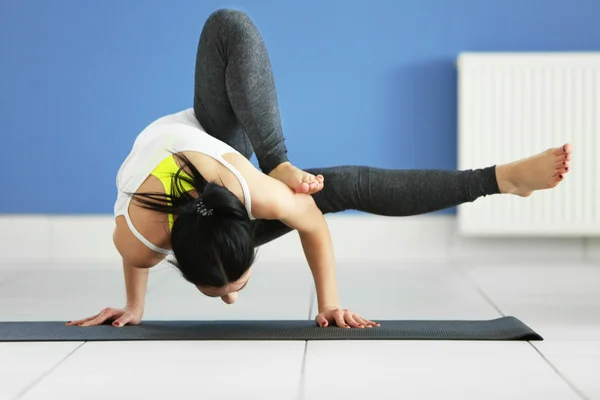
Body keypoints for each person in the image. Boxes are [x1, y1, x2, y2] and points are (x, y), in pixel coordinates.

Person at [67, 9, 572, 330]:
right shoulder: (139, 239)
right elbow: (139, 251)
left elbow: (310, 222)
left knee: (230, 25)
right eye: (227, 290)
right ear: (171, 246)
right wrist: (134, 306)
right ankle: (500, 180)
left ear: (245, 221)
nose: (229, 302)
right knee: (333, 186)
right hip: (191, 156)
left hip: (219, 148)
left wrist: (328, 302)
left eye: (227, 288)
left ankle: (279, 160)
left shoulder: (254, 193)